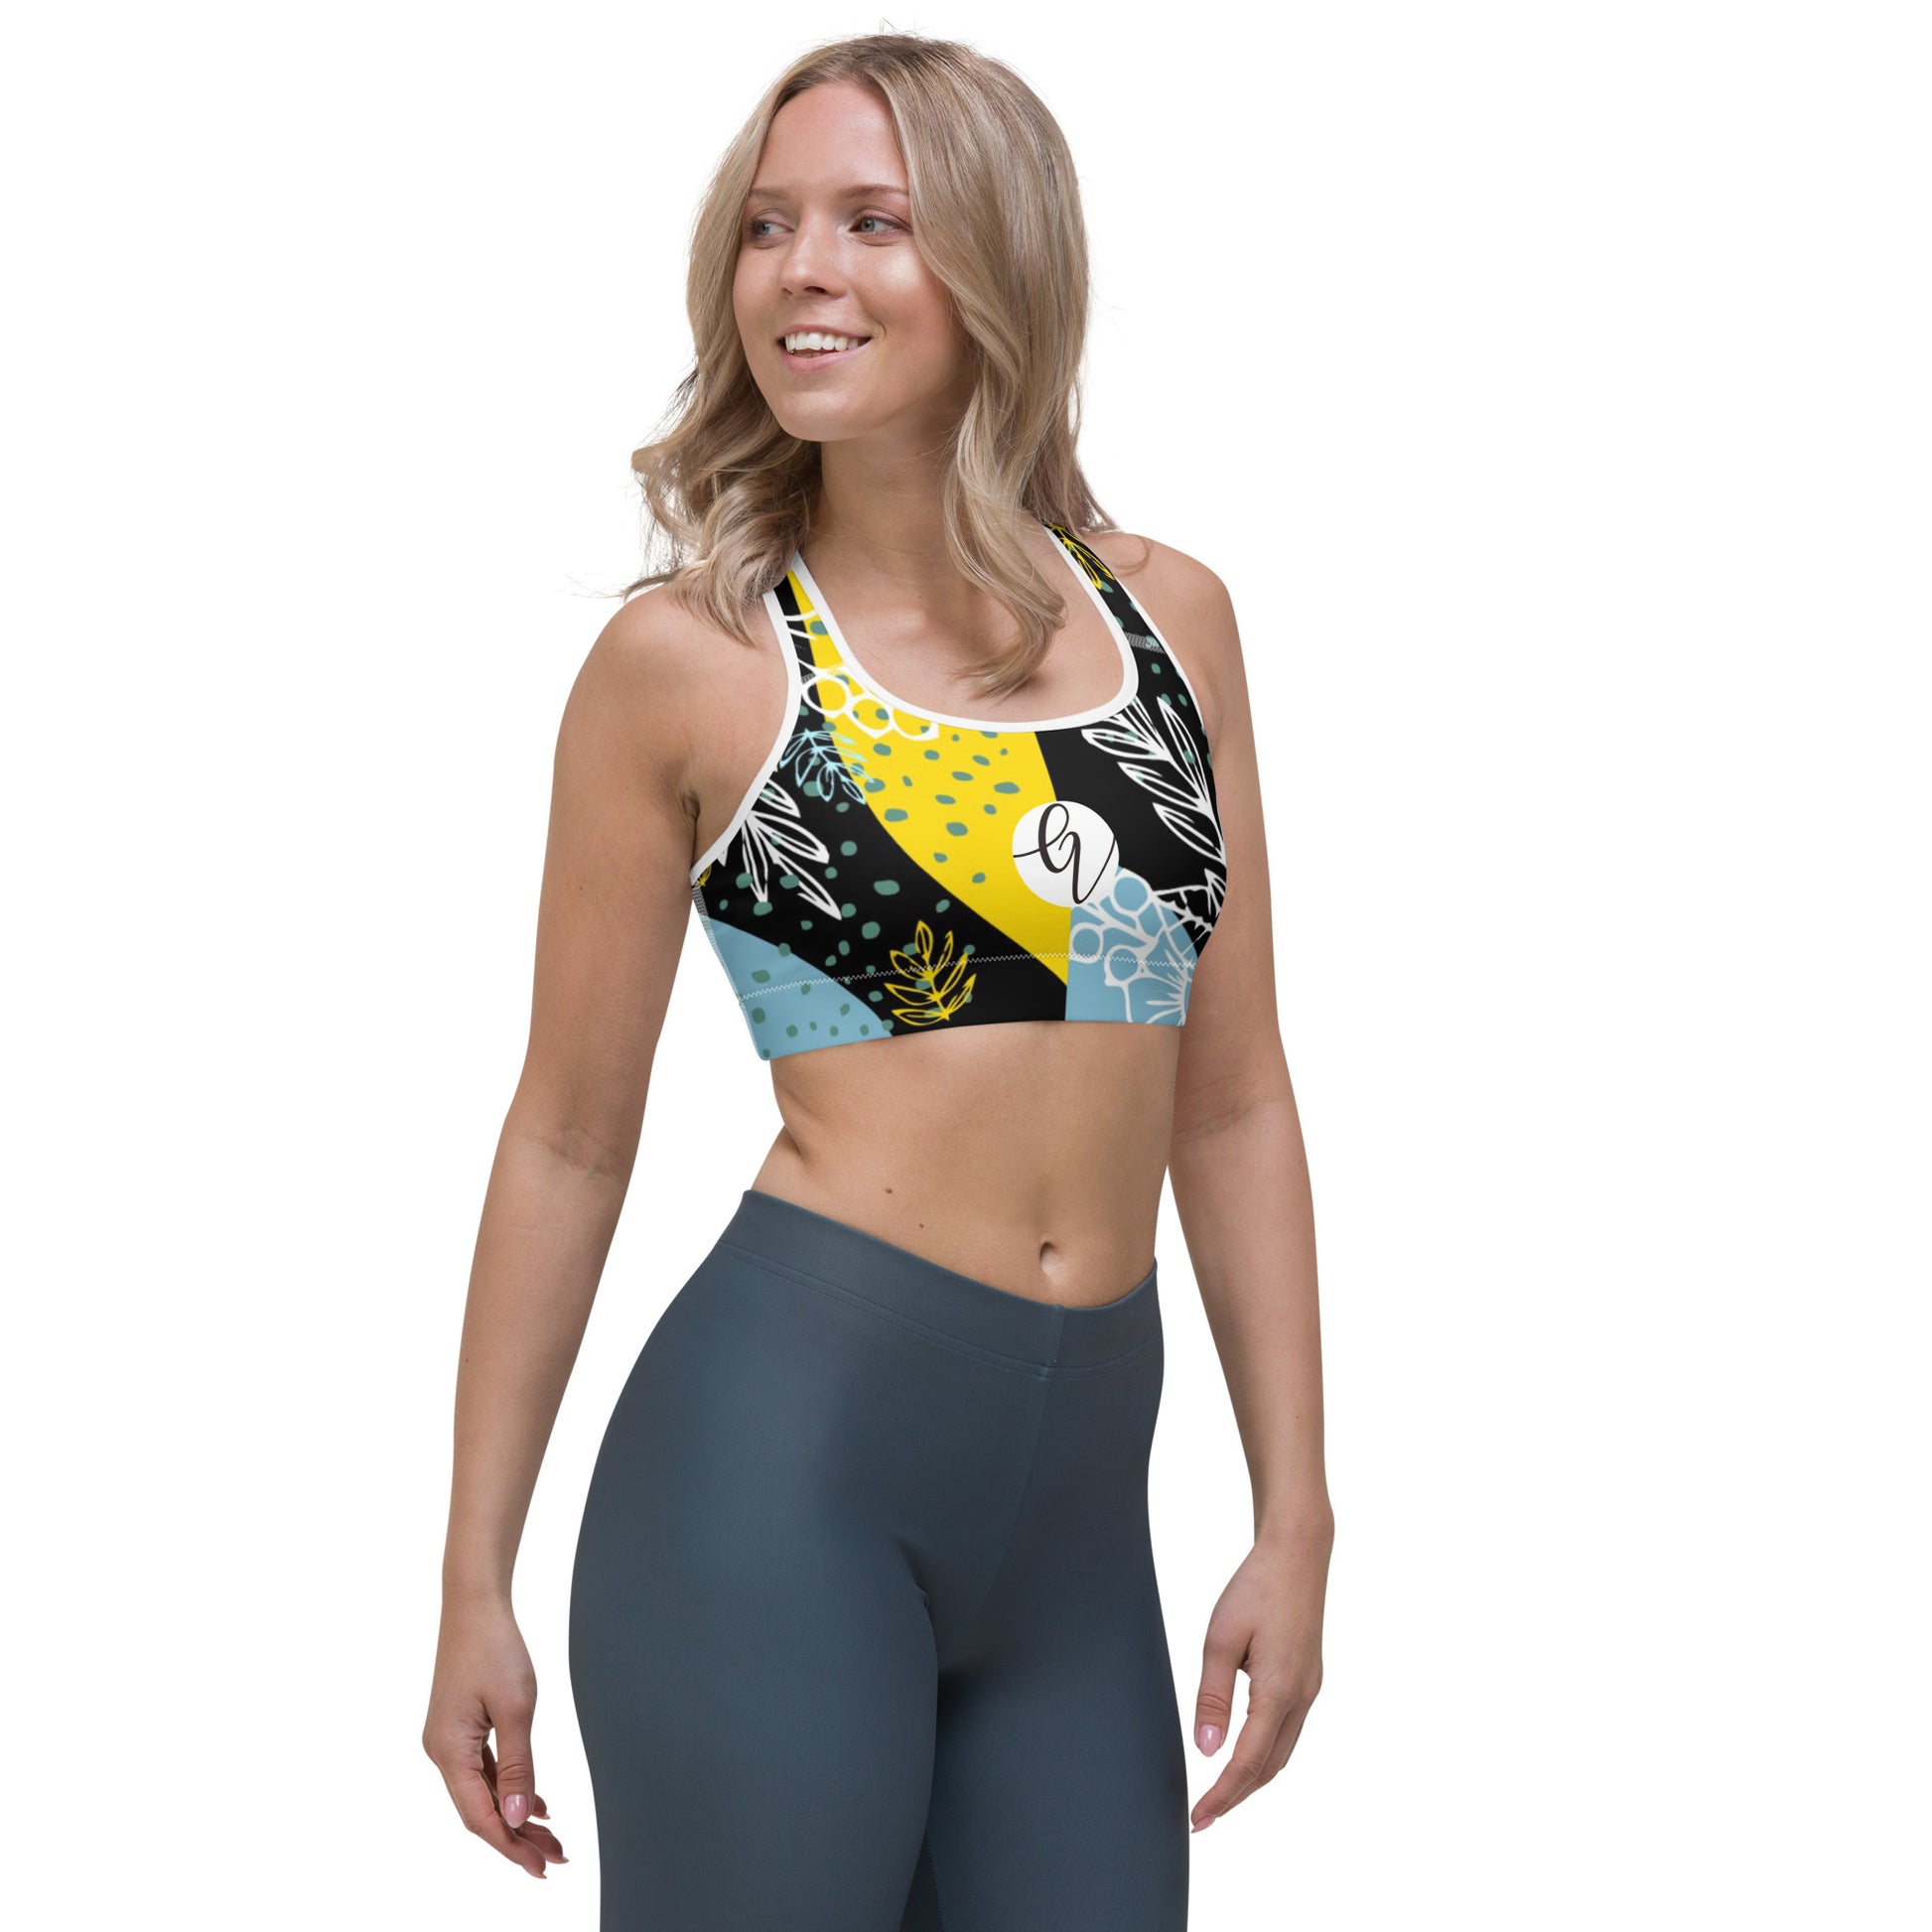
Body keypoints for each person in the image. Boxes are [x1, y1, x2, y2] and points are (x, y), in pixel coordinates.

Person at [422, 32, 1332, 1931]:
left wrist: (1294, 1508)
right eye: (766, 227)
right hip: (775, 1483)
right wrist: (470, 1579)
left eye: (871, 222)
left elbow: (1234, 1096)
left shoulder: (1172, 623)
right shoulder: (698, 662)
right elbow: (568, 1136)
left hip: (1080, 1529)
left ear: (1002, 255)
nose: (801, 273)